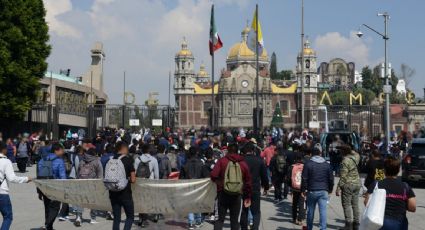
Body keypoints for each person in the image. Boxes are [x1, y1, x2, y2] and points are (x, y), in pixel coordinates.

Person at [364, 156, 416, 230]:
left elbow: (367, 202)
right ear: (398, 170)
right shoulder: (405, 186)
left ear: (384, 170)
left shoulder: (376, 184)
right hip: (399, 223)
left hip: (379, 222)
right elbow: (412, 207)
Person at [210, 143, 252, 230]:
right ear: (238, 151)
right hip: (237, 195)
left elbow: (213, 175)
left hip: (223, 193)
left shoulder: (222, 161)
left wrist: (220, 183)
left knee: (219, 220)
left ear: (228, 150)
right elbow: (248, 182)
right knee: (235, 221)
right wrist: (247, 196)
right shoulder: (243, 163)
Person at [301, 143, 334, 230]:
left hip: (312, 190)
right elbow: (331, 179)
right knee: (323, 211)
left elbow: (304, 178)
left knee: (310, 211)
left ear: (312, 154)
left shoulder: (308, 164)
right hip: (324, 190)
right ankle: (323, 228)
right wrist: (330, 189)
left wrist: (303, 190)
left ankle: (309, 228)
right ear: (320, 153)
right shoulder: (327, 165)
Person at [0, 141, 31, 230]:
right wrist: (26, 179)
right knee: (8, 217)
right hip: (2, 193)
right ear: (4, 149)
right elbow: (12, 178)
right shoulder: (5, 161)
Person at [37, 143, 66, 230]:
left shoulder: (42, 160)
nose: (63, 152)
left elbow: (38, 176)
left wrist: (39, 190)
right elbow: (62, 177)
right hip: (55, 188)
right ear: (56, 150)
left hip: (44, 187)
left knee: (47, 208)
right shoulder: (59, 161)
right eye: (61, 150)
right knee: (55, 207)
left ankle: (49, 227)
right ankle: (47, 226)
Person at [240, 142, 269, 230]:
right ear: (253, 151)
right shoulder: (259, 160)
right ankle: (255, 228)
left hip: (244, 188)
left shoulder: (241, 160)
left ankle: (244, 228)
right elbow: (264, 175)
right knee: (256, 211)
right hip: (255, 188)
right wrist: (266, 187)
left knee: (244, 210)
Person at [108, 141, 136, 230]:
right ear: (124, 148)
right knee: (130, 217)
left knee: (116, 218)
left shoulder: (110, 160)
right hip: (125, 193)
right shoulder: (128, 160)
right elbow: (133, 179)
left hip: (113, 192)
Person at [180, 146, 207, 229]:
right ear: (196, 153)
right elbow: (205, 176)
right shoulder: (201, 164)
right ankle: (198, 221)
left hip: (188, 187)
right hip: (199, 187)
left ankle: (191, 222)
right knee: (198, 203)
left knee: (189, 204)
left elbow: (181, 178)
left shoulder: (185, 164)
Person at [74, 148, 103, 226]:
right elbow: (100, 174)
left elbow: (78, 172)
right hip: (92, 184)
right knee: (94, 201)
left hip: (81, 183)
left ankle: (78, 217)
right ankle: (93, 218)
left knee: (81, 200)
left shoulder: (82, 160)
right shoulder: (97, 161)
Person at [335, 145, 361, 230]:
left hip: (348, 185)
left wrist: (338, 188)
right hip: (357, 184)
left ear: (343, 152)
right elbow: (357, 154)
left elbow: (343, 176)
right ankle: (356, 224)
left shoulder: (345, 161)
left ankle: (348, 225)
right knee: (355, 204)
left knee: (346, 205)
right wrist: (350, 150)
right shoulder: (355, 158)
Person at [134, 143, 159, 228]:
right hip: (150, 183)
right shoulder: (154, 160)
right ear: (149, 150)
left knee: (141, 201)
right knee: (148, 201)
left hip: (140, 183)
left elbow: (134, 172)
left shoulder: (137, 159)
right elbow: (156, 175)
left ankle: (141, 218)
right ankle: (146, 218)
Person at [288, 152, 306, 226]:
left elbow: (288, 178)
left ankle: (294, 218)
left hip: (294, 188)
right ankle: (300, 219)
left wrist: (291, 187)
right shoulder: (305, 166)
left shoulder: (291, 166)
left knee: (294, 203)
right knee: (302, 203)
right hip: (302, 188)